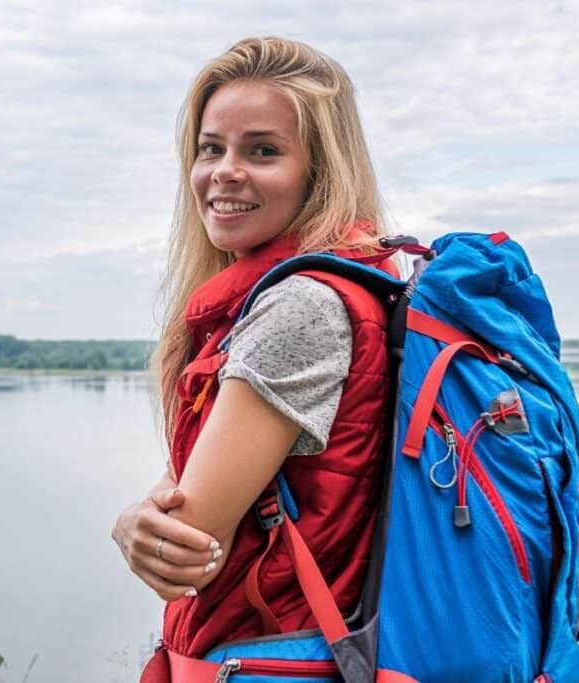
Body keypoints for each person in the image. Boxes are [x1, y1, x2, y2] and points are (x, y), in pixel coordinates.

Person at [110, 36, 396, 664]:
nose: (224, 172)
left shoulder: (301, 307)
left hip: (271, 655)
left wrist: (133, 525)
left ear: (319, 172)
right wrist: (151, 509)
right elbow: (205, 479)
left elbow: (186, 553)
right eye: (211, 148)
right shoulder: (356, 285)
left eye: (263, 151)